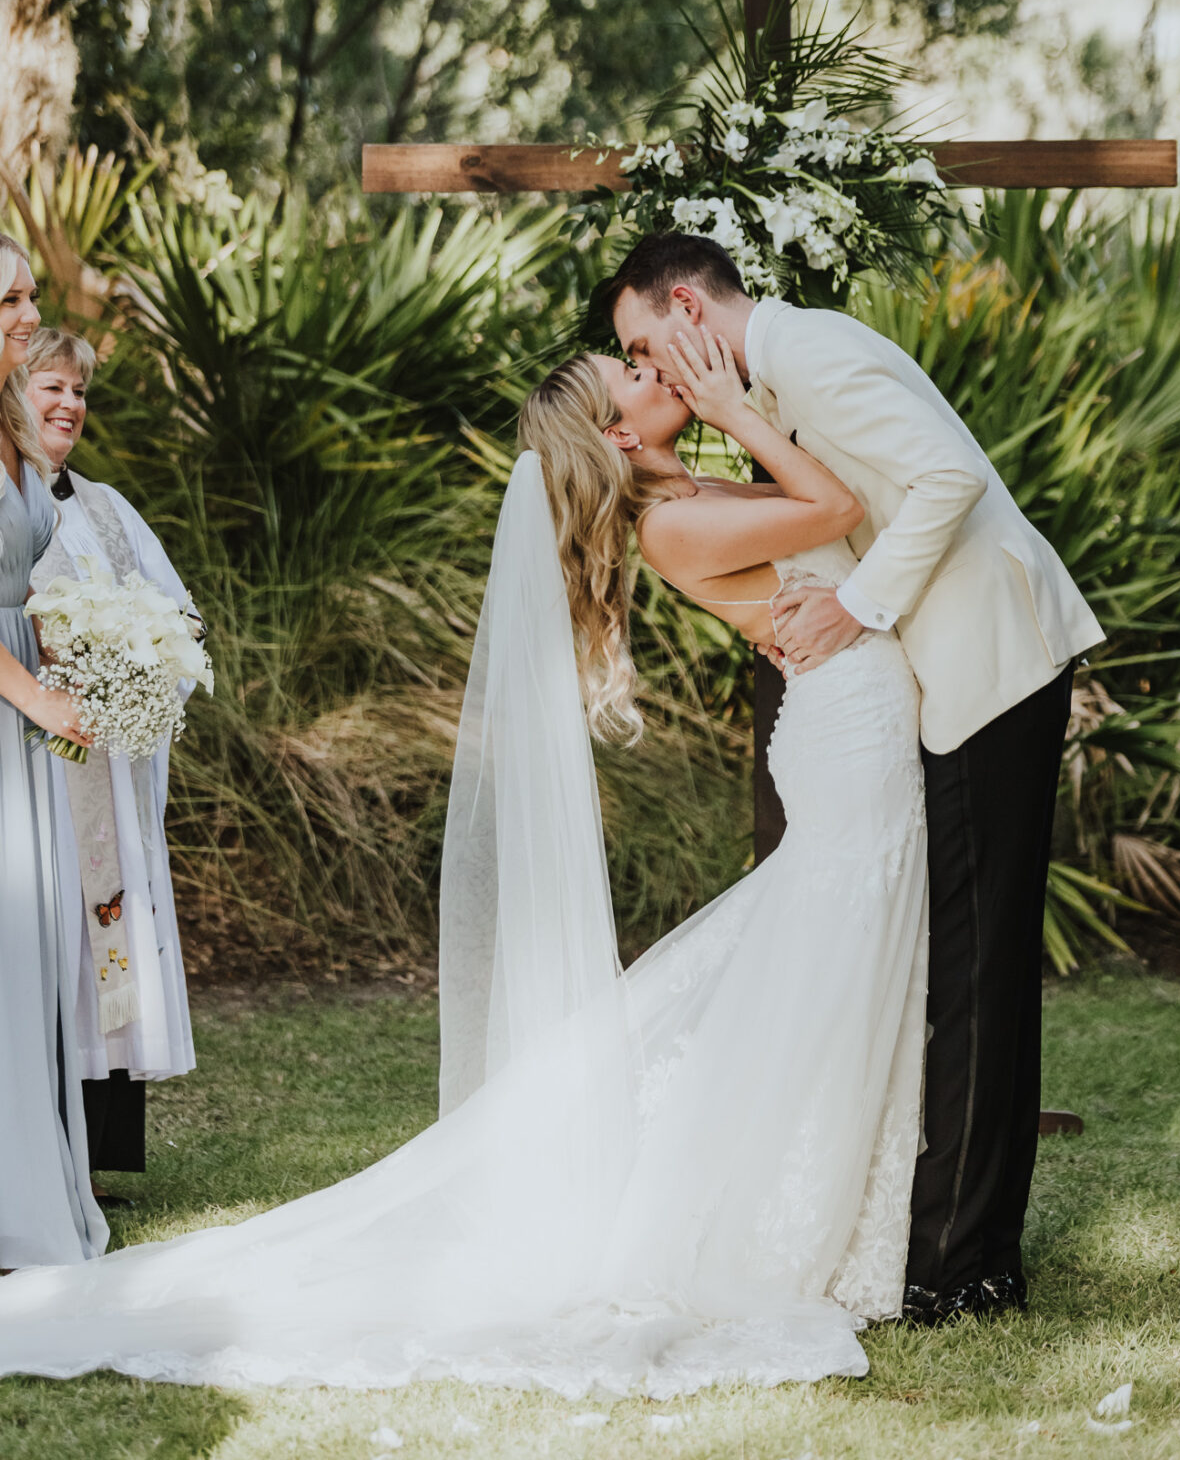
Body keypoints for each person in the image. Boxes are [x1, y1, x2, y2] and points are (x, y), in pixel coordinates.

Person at [0, 327, 929, 1397]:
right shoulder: (672, 521)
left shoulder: (684, 485)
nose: (659, 369)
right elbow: (837, 511)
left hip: (853, 726)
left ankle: (837, 1201)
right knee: (816, 956)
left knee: (814, 962)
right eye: (635, 373)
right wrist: (733, 406)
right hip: (848, 736)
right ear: (619, 431)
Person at [604, 232, 1104, 1326]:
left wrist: (854, 604)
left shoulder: (815, 354)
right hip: (936, 680)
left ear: (687, 305)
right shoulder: (773, 385)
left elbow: (946, 479)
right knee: (962, 967)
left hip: (988, 664)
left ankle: (965, 1263)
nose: (647, 369)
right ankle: (955, 1248)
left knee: (977, 970)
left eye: (643, 343)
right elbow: (810, 520)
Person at [25, 328, 197, 1204]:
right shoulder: (7, 501)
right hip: (34, 761)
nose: (69, 406)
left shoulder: (105, 507)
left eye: (80, 392)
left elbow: (174, 612)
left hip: (105, 761)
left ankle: (101, 1155)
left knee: (110, 936)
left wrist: (144, 659)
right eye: (49, 387)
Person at [0, 238, 107, 1272]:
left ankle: (25, 1184)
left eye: (29, 291)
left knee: (28, 949)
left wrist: (67, 643)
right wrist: (30, 687)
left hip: (26, 703)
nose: (29, 311)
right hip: (7, 700)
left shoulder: (11, 435)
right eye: (11, 297)